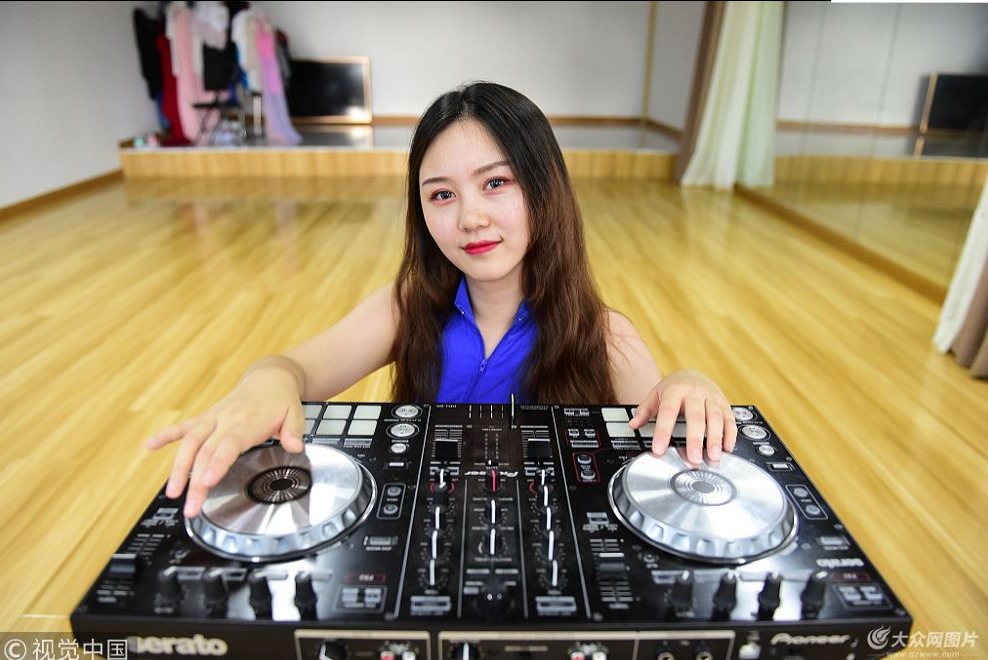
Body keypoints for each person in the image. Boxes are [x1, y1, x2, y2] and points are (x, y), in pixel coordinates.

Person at [145, 81, 737, 518]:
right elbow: (289, 369)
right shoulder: (406, 306)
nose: (470, 217)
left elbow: (665, 432)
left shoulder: (604, 334)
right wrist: (264, 383)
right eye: (442, 195)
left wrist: (689, 382)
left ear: (545, 188)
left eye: (495, 183)